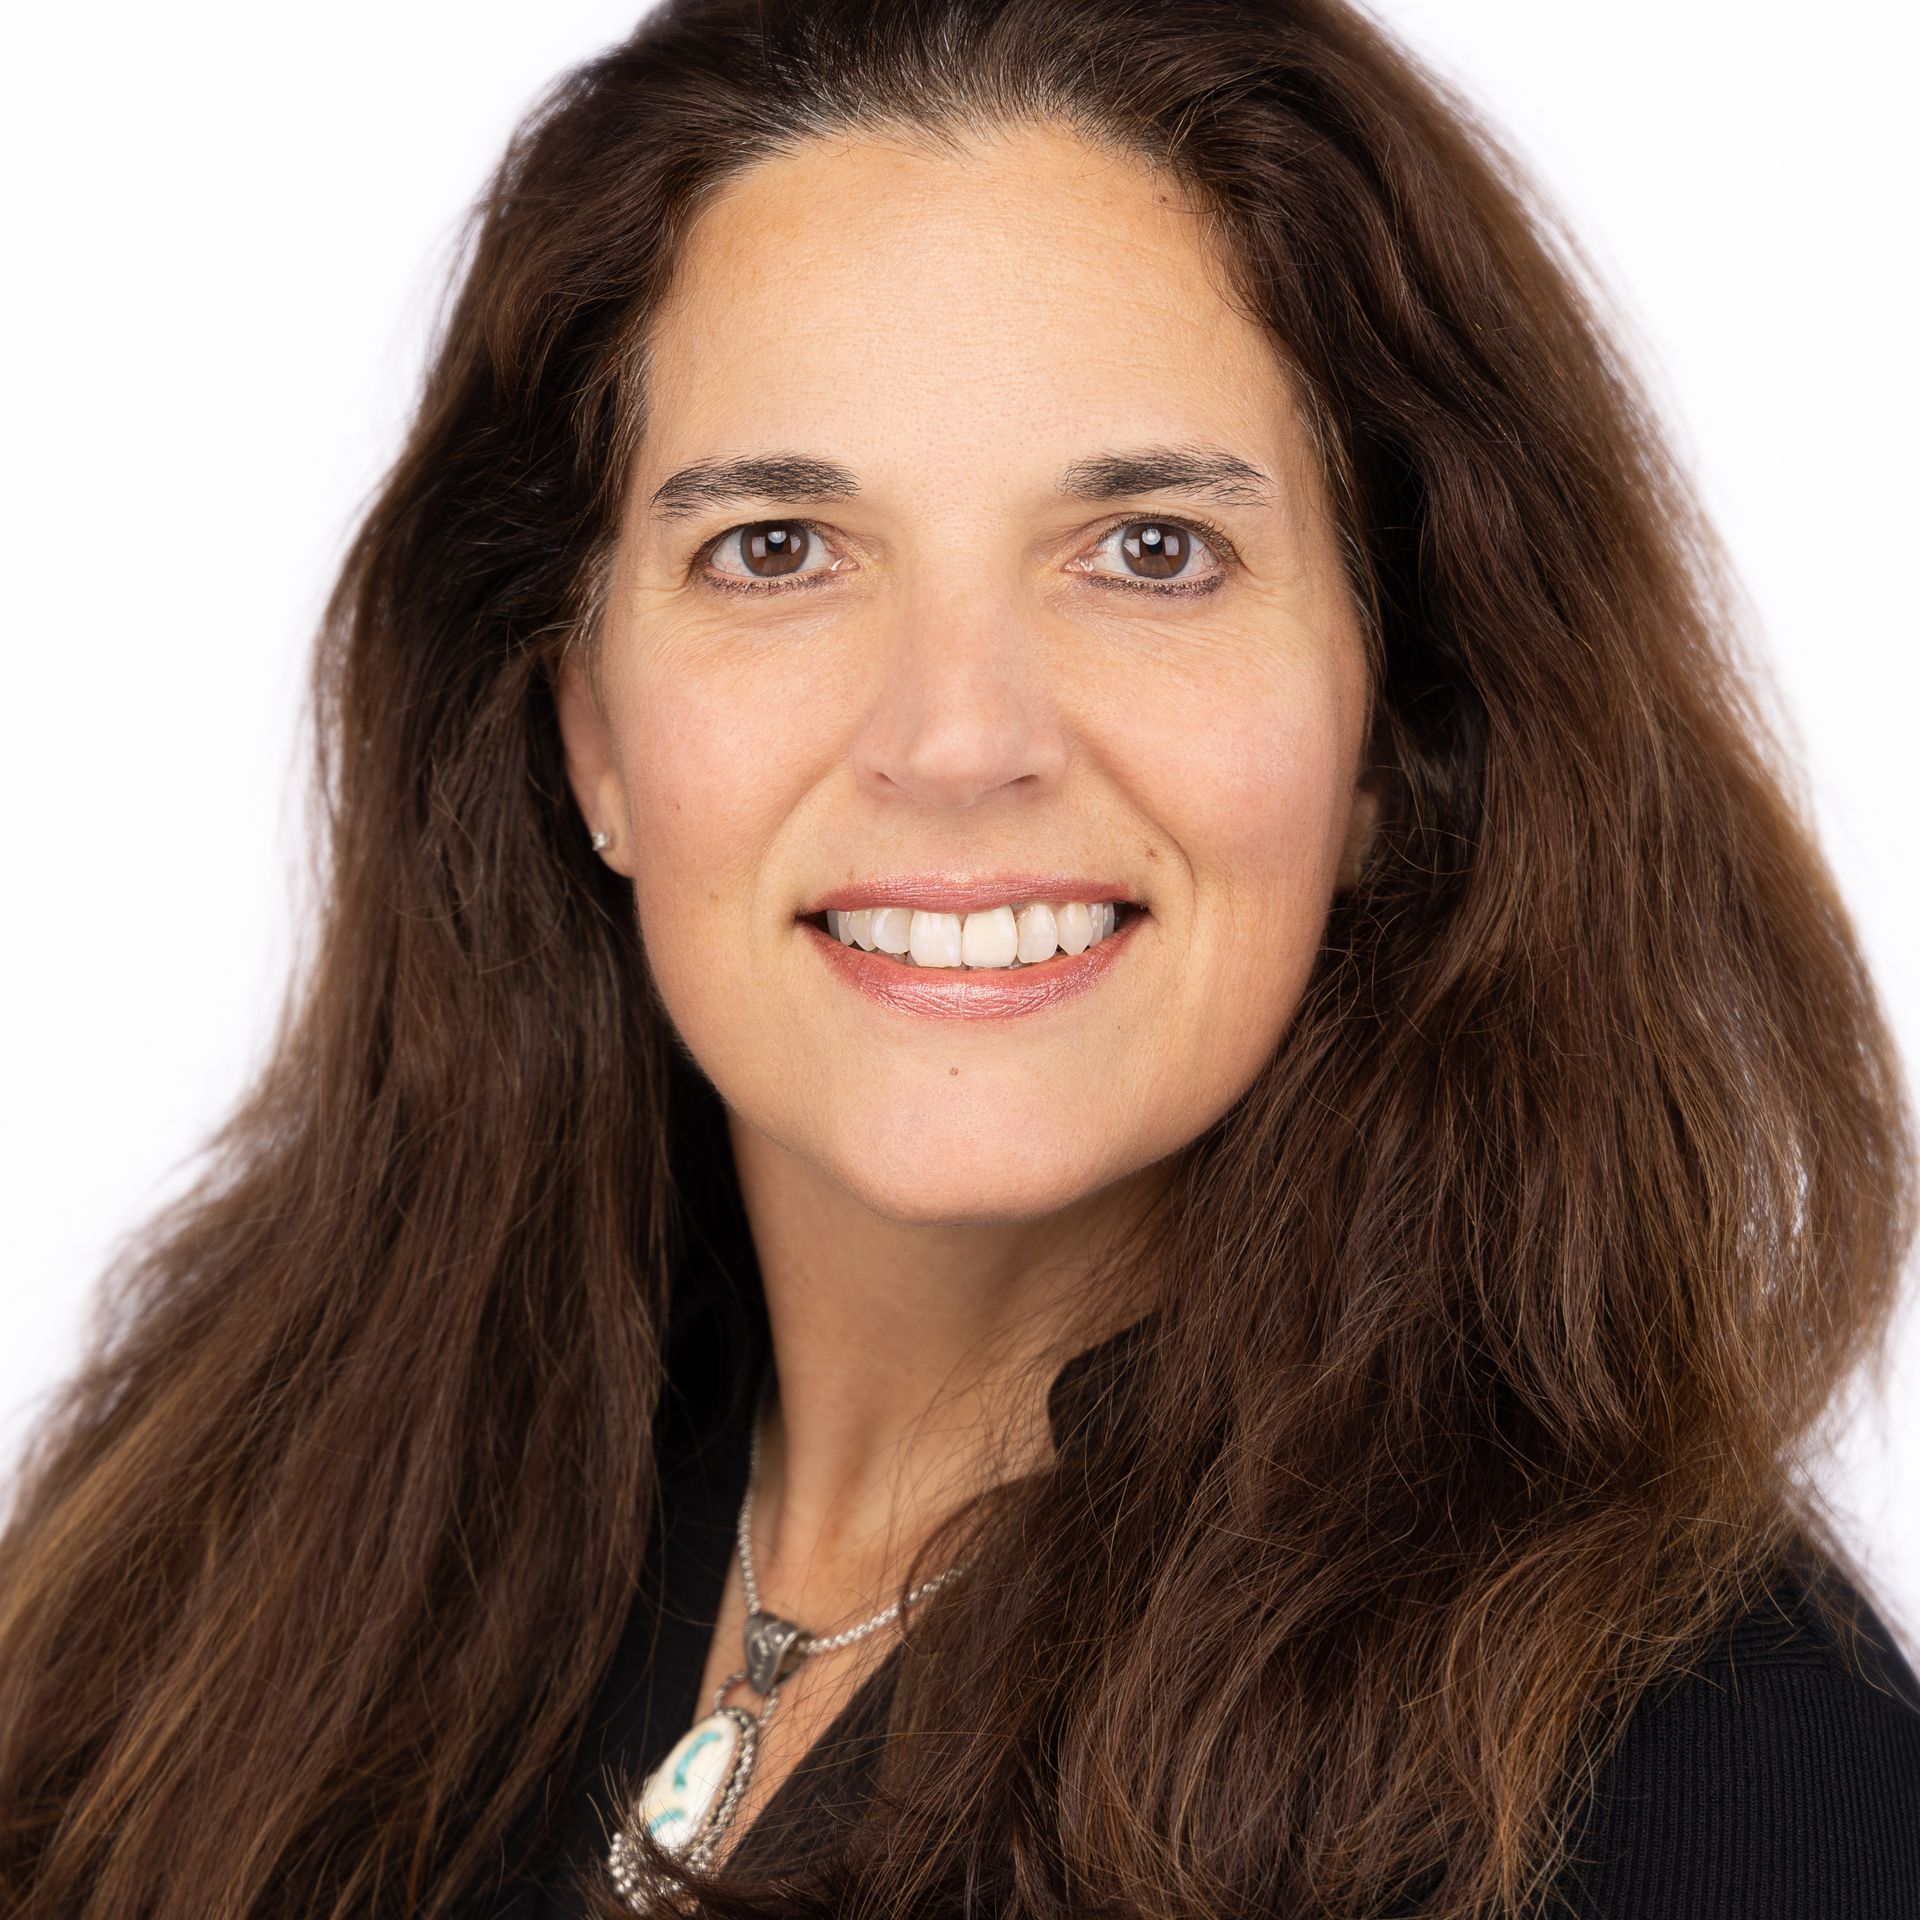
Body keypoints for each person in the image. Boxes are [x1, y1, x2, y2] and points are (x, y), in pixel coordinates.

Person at [2, 0, 1915, 1915]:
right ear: (587, 725)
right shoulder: (233, 1554)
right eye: (775, 548)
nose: (954, 736)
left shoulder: (1699, 1779)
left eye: (1150, 548)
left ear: (1396, 734)